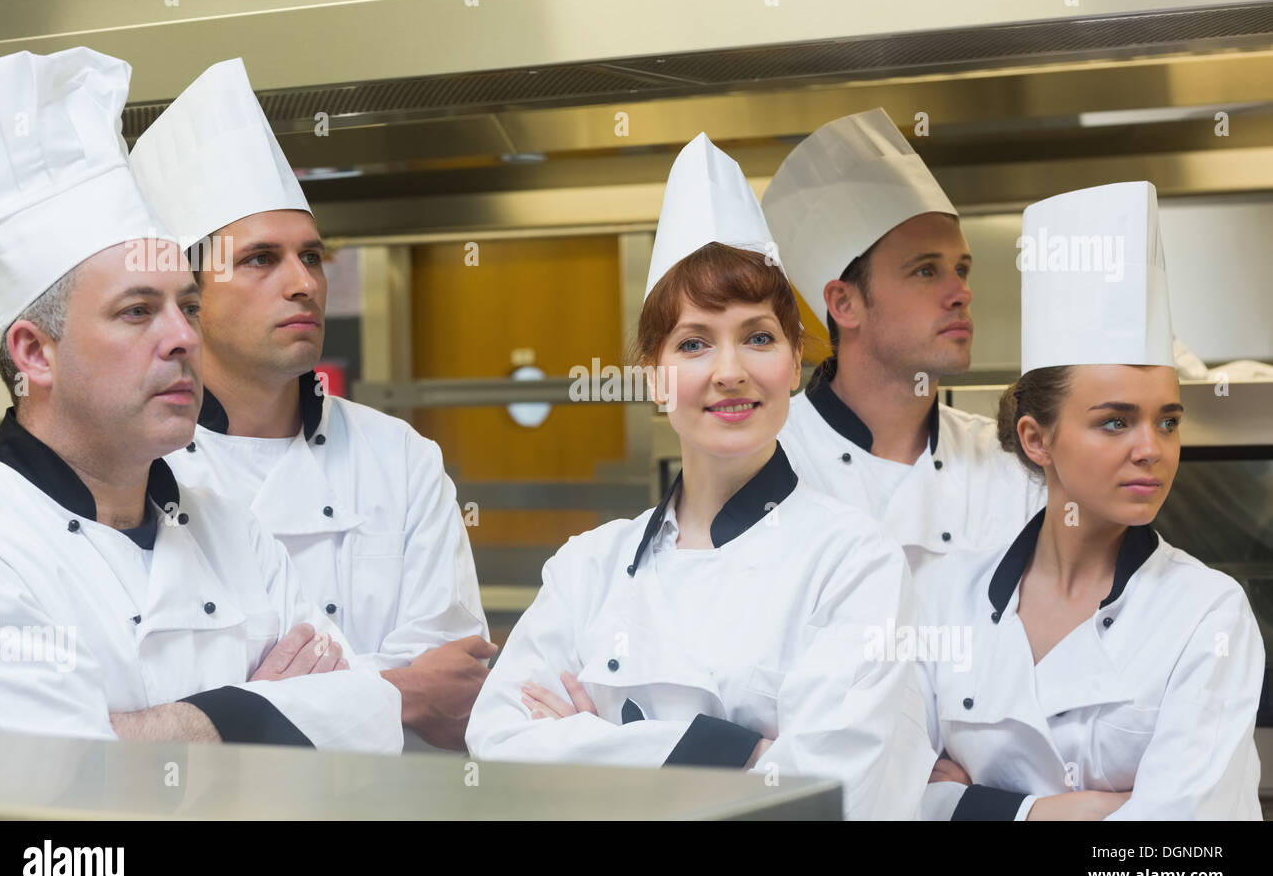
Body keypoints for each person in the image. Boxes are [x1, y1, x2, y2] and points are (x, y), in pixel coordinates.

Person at [465, 134, 935, 819]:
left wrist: (590, 739)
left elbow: (831, 799)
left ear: (797, 356)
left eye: (758, 336)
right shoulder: (588, 567)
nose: (729, 371)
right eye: (693, 343)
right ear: (656, 378)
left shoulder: (855, 565)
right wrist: (740, 753)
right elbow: (498, 745)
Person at [0, 47, 402, 753]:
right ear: (34, 354)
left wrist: (143, 734)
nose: (182, 338)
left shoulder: (232, 531)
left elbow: (370, 721)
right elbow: (54, 780)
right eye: (138, 311)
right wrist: (256, 710)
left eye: (189, 305)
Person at [129, 59, 494, 750]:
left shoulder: (401, 458)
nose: (304, 283)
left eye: (313, 257)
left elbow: (452, 690)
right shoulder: (141, 472)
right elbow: (153, 709)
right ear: (188, 292)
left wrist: (266, 706)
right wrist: (392, 692)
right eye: (262, 259)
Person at [916, 181, 1264, 820]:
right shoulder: (944, 600)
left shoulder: (1207, 614)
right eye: (1114, 421)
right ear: (1036, 438)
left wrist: (975, 806)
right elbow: (889, 799)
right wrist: (1077, 811)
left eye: (1167, 420)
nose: (1151, 449)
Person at [763, 109, 1045, 576]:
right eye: (926, 270)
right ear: (845, 304)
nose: (961, 293)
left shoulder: (1011, 466)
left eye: (962, 269)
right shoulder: (770, 460)